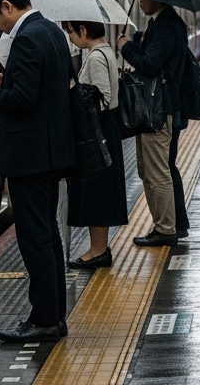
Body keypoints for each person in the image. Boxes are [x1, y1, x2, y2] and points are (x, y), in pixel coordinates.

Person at [0, 0, 74, 343]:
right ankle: (53, 315)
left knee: (35, 240)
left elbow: (24, 100)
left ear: (8, 7)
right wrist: (4, 79)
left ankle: (44, 320)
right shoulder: (51, 32)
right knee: (47, 236)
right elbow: (43, 88)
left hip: (30, 157)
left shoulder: (26, 38)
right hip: (48, 154)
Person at [118, 0, 190, 246]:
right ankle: (170, 224)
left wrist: (127, 46)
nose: (139, 2)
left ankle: (165, 229)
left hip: (158, 109)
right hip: (158, 106)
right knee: (151, 169)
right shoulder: (163, 23)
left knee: (157, 171)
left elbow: (151, 63)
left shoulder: (167, 26)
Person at [63, 20, 128, 268]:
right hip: (104, 129)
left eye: (71, 31)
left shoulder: (96, 57)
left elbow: (104, 97)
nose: (70, 37)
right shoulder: (105, 51)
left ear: (83, 31)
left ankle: (98, 251)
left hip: (98, 129)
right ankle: (98, 248)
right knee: (99, 190)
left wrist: (75, 91)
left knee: (97, 191)